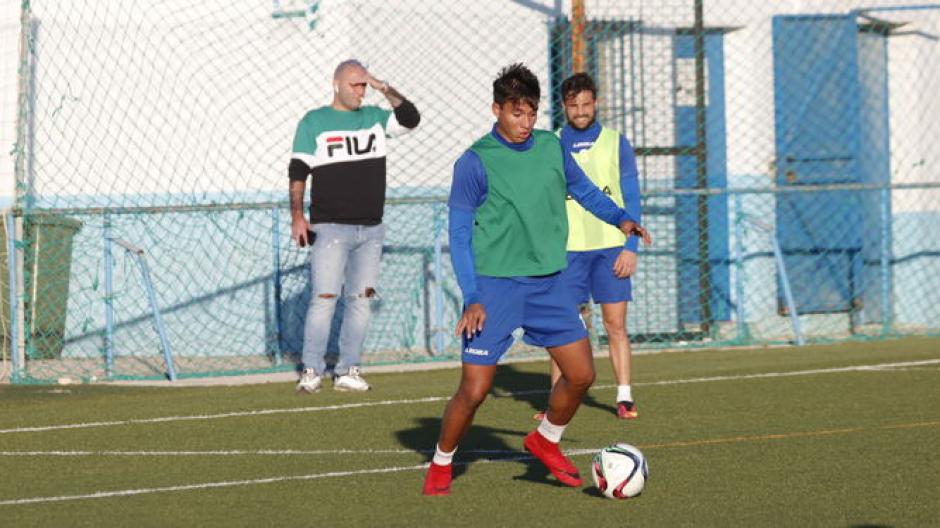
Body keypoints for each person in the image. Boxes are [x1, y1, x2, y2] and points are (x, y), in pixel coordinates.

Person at [422, 63, 651, 496]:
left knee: (581, 375)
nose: (525, 123)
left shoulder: (550, 146)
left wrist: (622, 220)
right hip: (495, 288)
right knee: (474, 390)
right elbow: (459, 235)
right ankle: (441, 461)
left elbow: (583, 190)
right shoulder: (474, 162)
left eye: (531, 114)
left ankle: (545, 439)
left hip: (550, 283)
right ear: (497, 109)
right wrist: (472, 295)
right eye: (516, 114)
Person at [289, 59, 420, 393]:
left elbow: (411, 119)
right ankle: (312, 370)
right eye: (355, 84)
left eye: (363, 85)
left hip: (371, 230)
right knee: (324, 299)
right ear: (336, 84)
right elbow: (298, 172)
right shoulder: (314, 121)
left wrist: (384, 88)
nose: (361, 90)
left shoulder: (375, 119)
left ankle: (348, 370)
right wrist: (297, 216)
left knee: (361, 300)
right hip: (330, 229)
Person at [539, 72, 644, 420]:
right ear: (565, 107)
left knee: (615, 324)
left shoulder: (617, 142)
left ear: (595, 103)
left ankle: (624, 396)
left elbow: (632, 197)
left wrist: (631, 246)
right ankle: (556, 398)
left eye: (586, 104)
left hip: (610, 247)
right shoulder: (550, 143)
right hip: (567, 251)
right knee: (563, 325)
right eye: (574, 105)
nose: (581, 111)